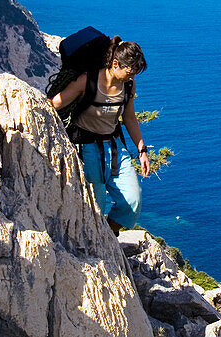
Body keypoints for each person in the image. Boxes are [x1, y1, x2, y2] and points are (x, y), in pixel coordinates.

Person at [50, 37, 151, 232]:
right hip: (85, 148)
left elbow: (129, 118)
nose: (132, 77)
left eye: (135, 73)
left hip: (114, 147)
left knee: (133, 199)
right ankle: (98, 239)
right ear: (115, 64)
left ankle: (108, 235)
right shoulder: (87, 81)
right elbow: (55, 103)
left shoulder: (128, 86)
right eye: (130, 72)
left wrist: (142, 150)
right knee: (96, 203)